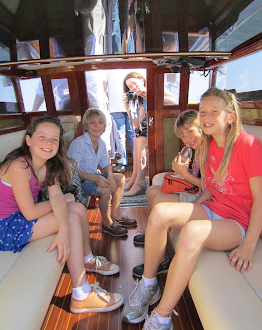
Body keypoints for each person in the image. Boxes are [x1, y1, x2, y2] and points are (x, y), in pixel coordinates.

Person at [122, 87, 262, 329]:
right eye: (203, 112)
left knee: (192, 231)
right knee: (160, 212)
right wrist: (192, 208)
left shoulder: (248, 145)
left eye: (213, 112)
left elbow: (260, 199)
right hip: (211, 208)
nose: (206, 117)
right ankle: (148, 285)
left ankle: (162, 317)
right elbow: (210, 188)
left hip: (236, 222)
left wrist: (249, 245)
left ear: (230, 117)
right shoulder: (209, 145)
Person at [0, 116, 123, 314]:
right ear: (28, 140)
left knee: (77, 207)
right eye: (42, 137)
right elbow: (31, 213)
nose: (48, 143)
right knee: (71, 212)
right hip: (6, 225)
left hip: (22, 216)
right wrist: (63, 209)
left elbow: (57, 196)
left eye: (54, 139)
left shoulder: (50, 165)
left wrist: (63, 229)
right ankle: (81, 295)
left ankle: (87, 258)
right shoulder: (19, 166)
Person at [132, 110, 203, 277]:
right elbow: (197, 175)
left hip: (203, 197)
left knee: (160, 202)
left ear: (202, 127)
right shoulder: (195, 149)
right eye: (183, 136)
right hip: (195, 189)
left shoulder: (208, 151)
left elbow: (207, 187)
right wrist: (183, 169)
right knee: (151, 191)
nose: (187, 139)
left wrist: (184, 173)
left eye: (190, 132)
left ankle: (158, 245)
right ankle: (161, 253)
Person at [67, 108, 137, 237]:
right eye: (92, 122)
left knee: (119, 178)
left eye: (100, 122)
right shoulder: (79, 144)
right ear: (86, 125)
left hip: (92, 178)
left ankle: (115, 214)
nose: (96, 126)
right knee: (105, 189)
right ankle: (107, 223)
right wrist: (96, 179)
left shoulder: (101, 143)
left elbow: (105, 164)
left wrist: (110, 177)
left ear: (105, 126)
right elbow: (72, 170)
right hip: (79, 182)